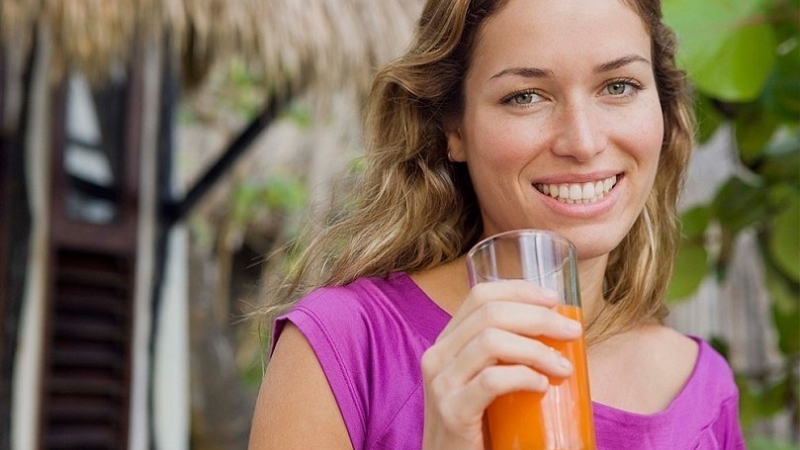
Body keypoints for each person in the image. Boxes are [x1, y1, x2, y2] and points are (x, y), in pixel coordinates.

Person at [248, 0, 745, 448]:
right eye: (525, 96)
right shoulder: (347, 347)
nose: (583, 141)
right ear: (454, 128)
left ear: (663, 108)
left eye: (619, 86)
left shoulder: (703, 392)